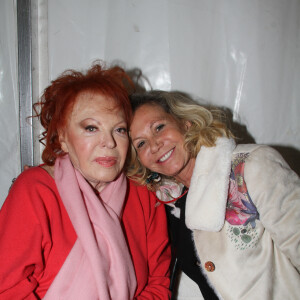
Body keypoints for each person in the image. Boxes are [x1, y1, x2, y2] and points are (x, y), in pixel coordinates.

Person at [0, 65, 171, 299]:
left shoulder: (144, 195)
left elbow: (158, 284)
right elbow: (8, 288)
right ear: (63, 137)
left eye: (119, 129)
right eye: (91, 128)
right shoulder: (35, 190)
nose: (109, 142)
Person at [128, 90, 300, 300]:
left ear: (185, 123)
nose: (154, 145)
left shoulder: (252, 166)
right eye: (141, 144)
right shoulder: (168, 204)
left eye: (159, 127)